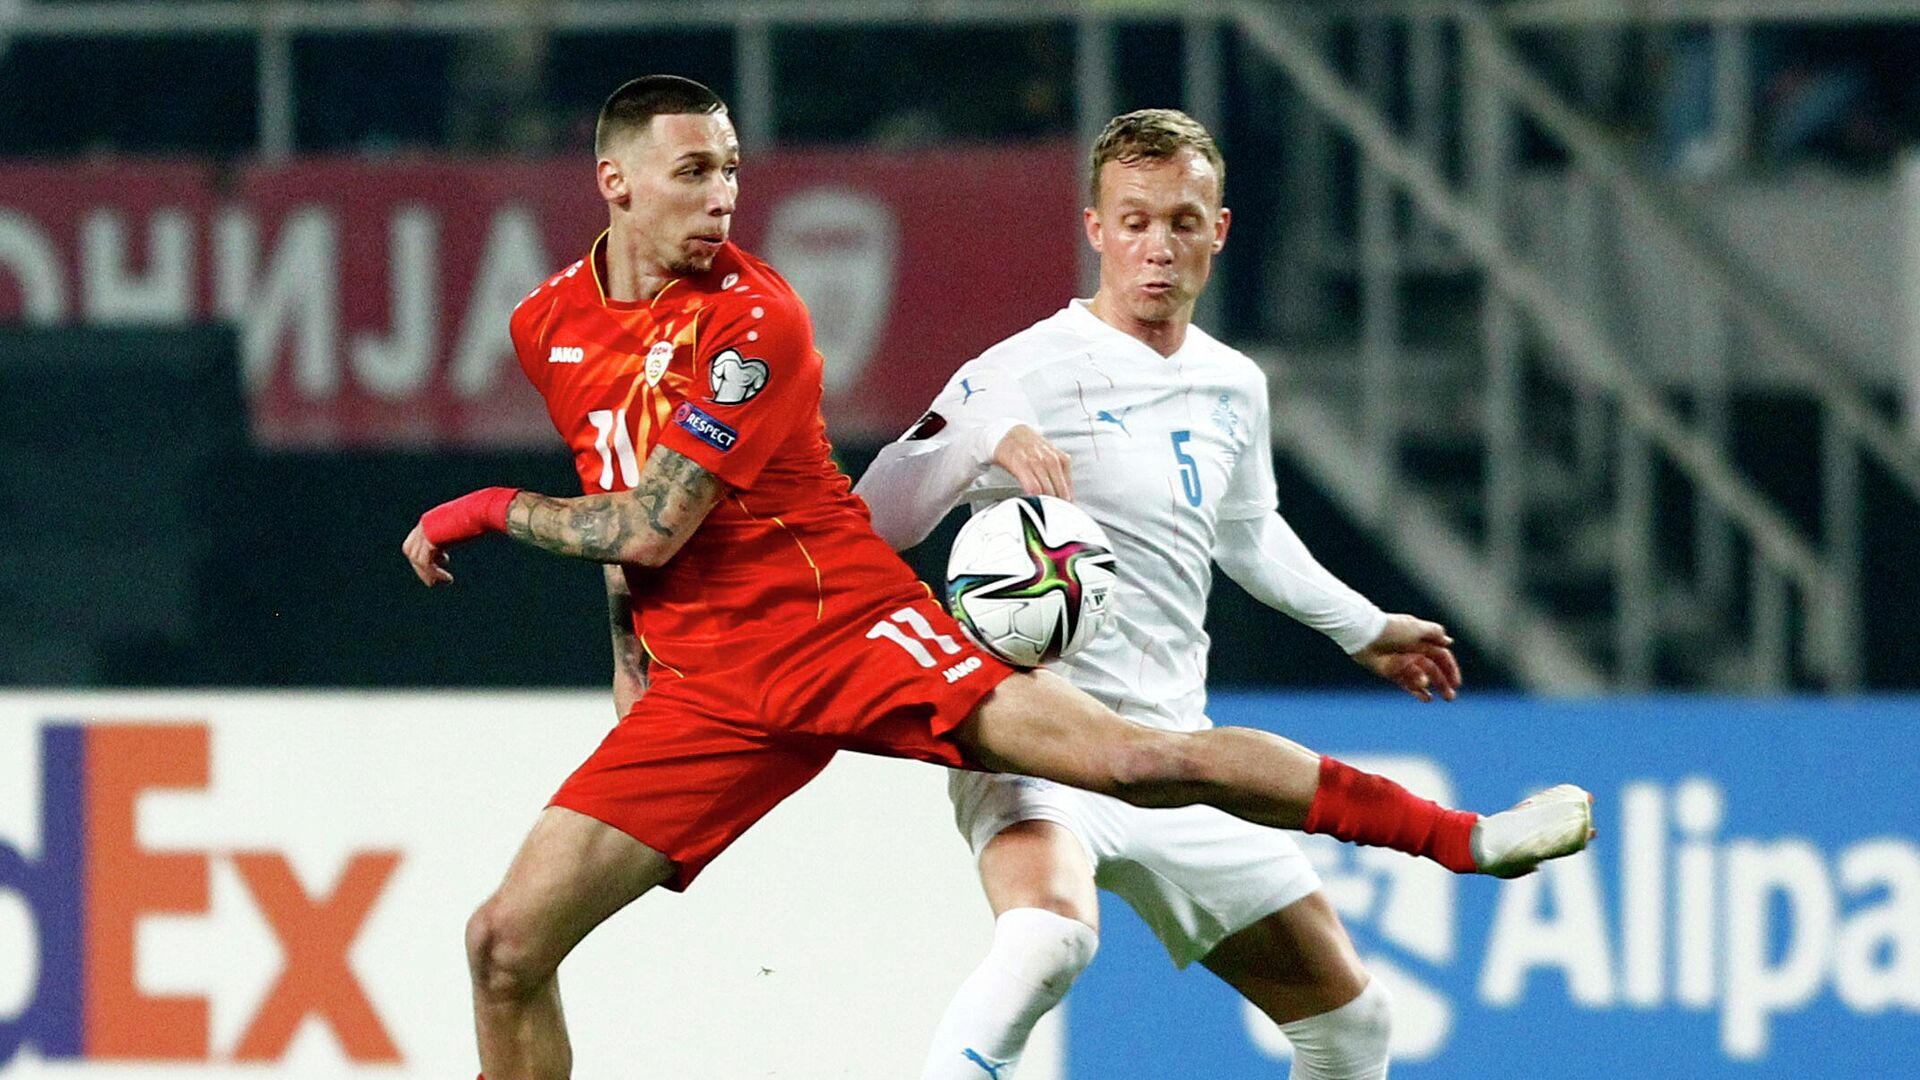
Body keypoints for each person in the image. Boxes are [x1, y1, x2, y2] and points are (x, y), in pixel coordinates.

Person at [399, 77, 1594, 1080]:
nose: (722, 199)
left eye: (732, 172)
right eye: (694, 173)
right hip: (709, 681)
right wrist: (629, 657)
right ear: (614, 184)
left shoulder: (757, 319)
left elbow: (652, 523)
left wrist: (485, 510)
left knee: (1141, 760)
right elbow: (624, 490)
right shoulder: (546, 324)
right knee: (504, 946)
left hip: (840, 629)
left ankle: (1460, 841)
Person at [855, 106, 1479, 1080]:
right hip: (1040, 741)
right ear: (1096, 229)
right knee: (1048, 944)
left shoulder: (1235, 384)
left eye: (1182, 221)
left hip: (1181, 754)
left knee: (1353, 1027)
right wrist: (980, 439)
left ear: (1218, 231)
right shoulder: (1014, 375)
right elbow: (867, 522)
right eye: (1135, 221)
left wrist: (1365, 628)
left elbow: (1249, 537)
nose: (1158, 247)